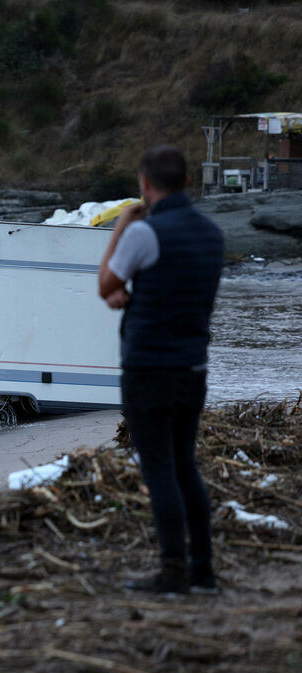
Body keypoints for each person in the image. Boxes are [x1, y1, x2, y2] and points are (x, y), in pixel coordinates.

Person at [98, 145, 225, 595]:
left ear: (145, 186)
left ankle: (172, 572)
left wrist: (121, 226)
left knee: (160, 470)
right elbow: (177, 290)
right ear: (188, 182)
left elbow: (105, 284)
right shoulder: (213, 235)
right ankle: (204, 571)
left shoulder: (143, 233)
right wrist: (135, 297)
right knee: (186, 465)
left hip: (148, 368)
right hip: (193, 367)